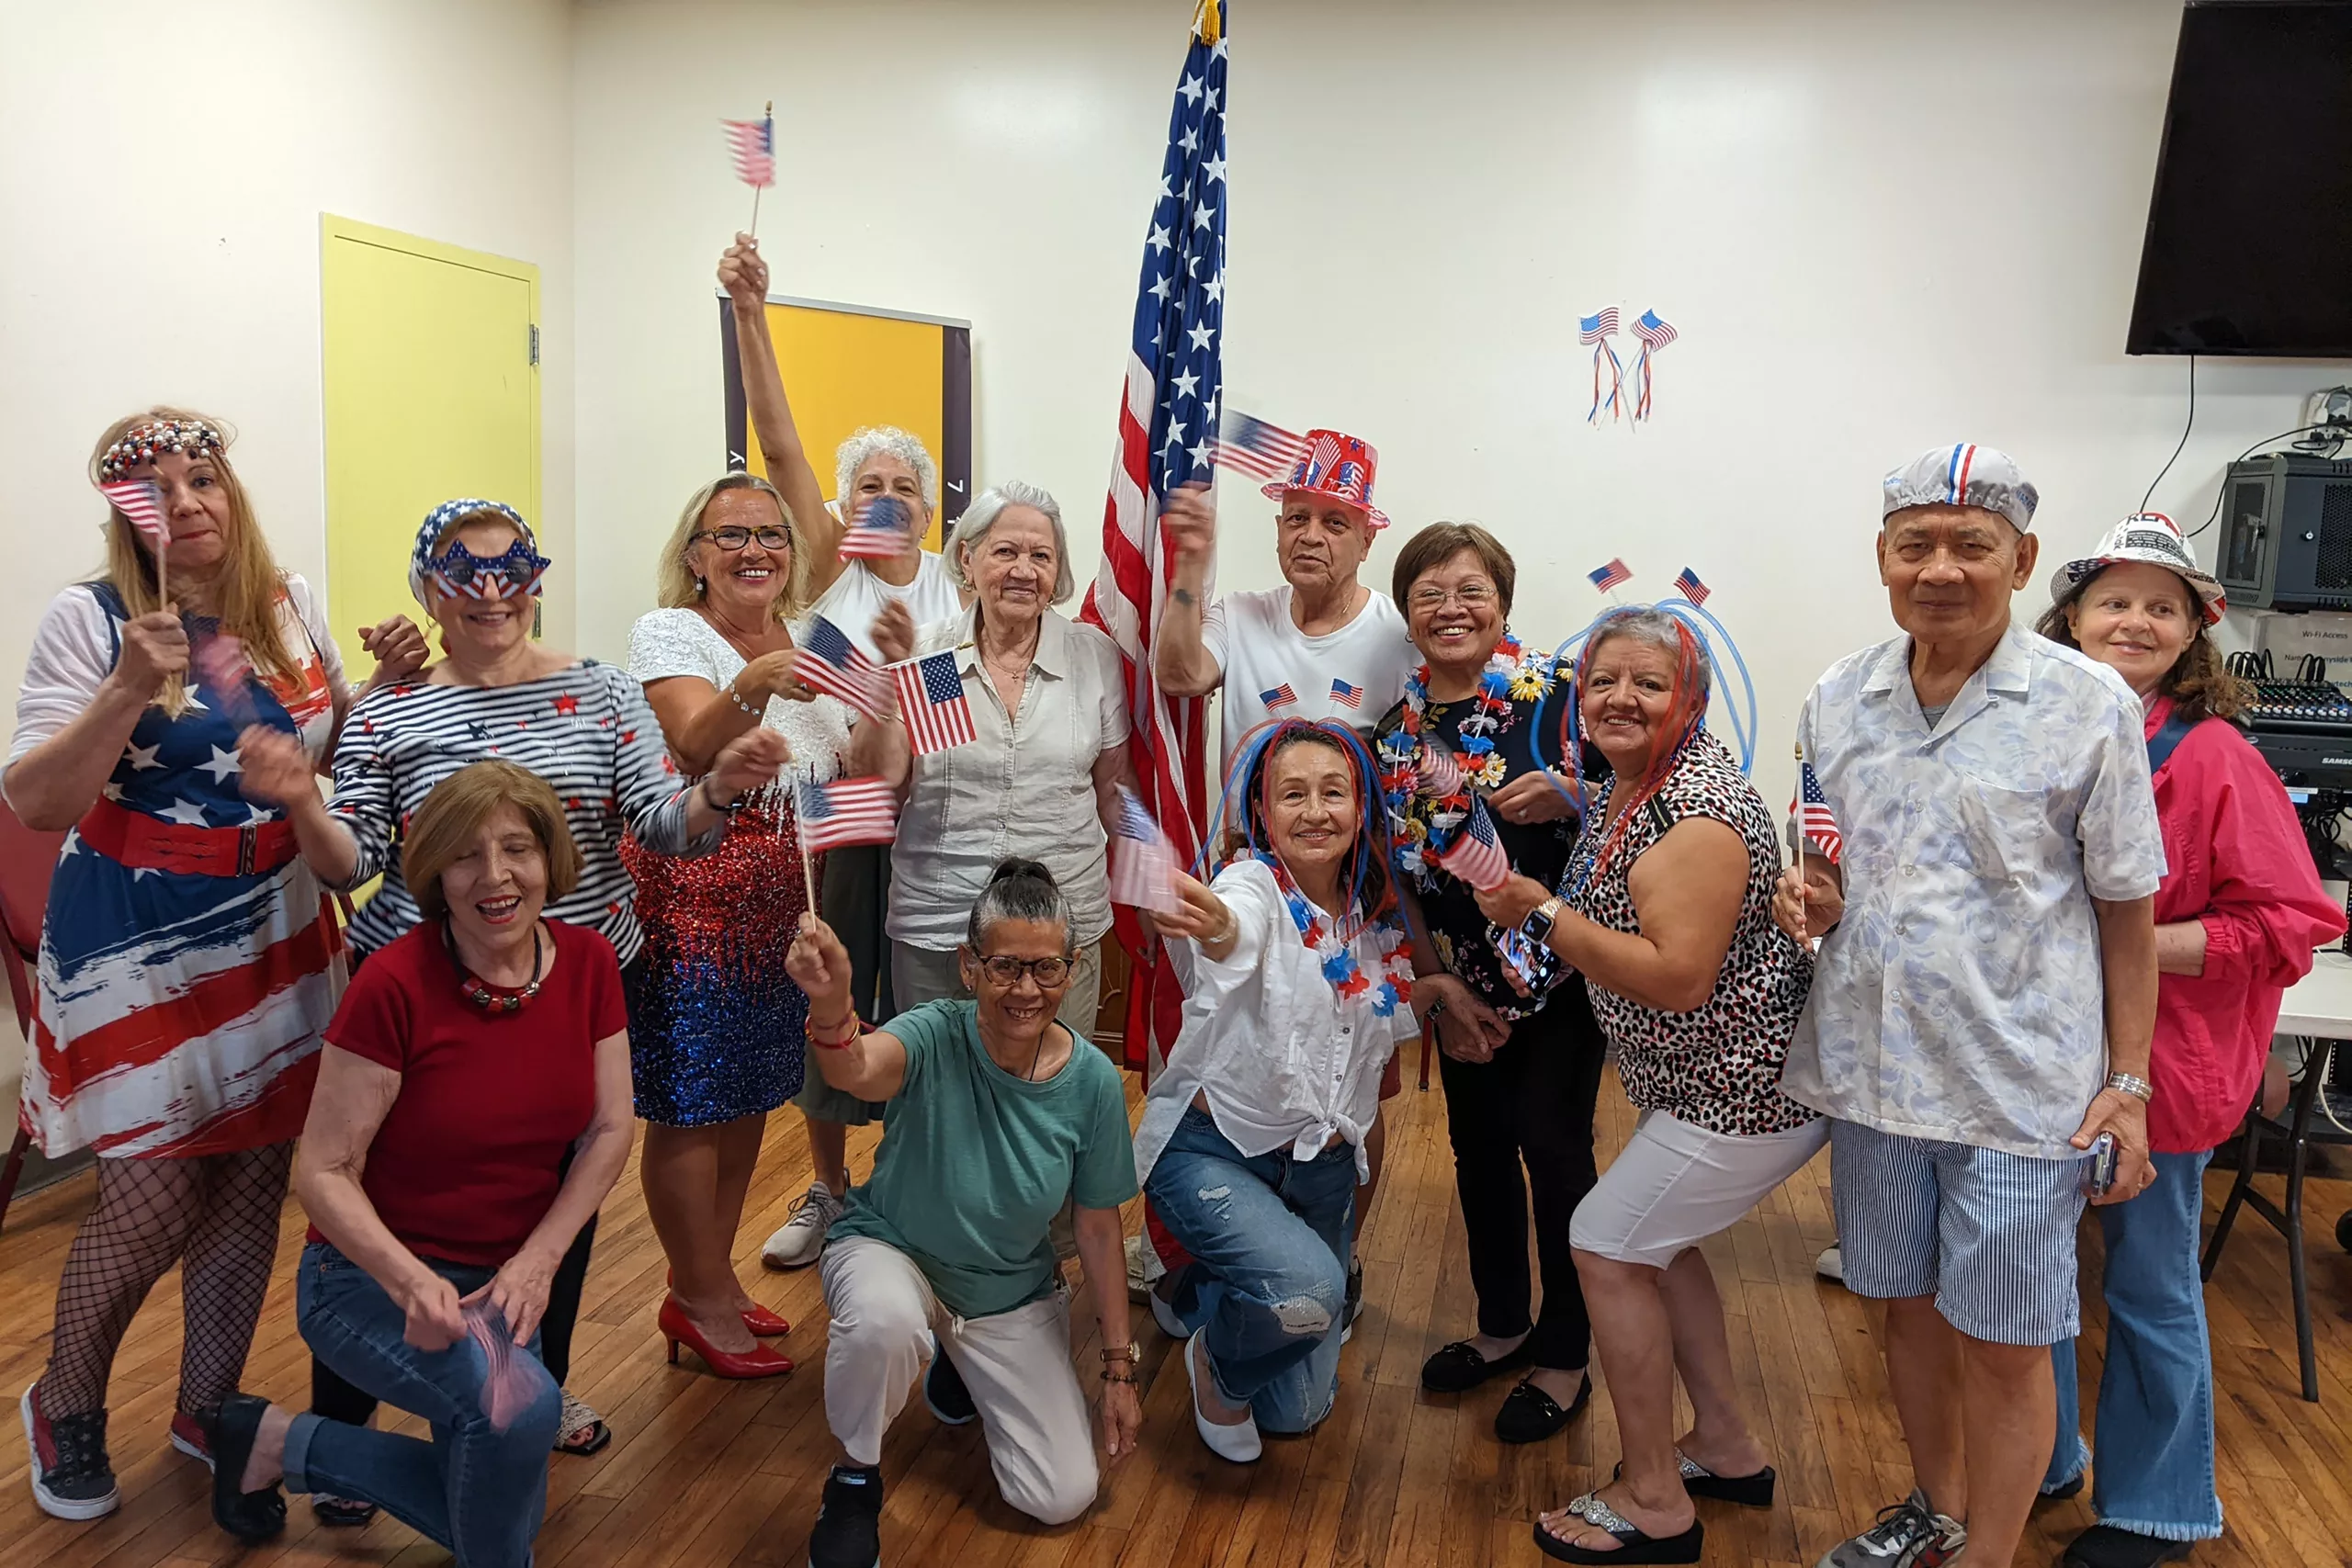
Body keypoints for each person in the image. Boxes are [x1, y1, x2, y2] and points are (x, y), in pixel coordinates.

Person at [239, 498, 784, 1488]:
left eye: (510, 568)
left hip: (576, 984)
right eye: (463, 571)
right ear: (426, 590)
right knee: (388, 1194)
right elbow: (348, 859)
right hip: (420, 997)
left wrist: (717, 790)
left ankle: (534, 1381)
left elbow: (666, 824)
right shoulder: (394, 709)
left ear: (536, 577)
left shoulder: (605, 692)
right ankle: (345, 1420)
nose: (491, 591)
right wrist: (301, 801)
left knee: (556, 1191)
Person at [7, 409, 424, 1522]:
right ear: (123, 516)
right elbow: (38, 801)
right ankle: (66, 1400)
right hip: (135, 934)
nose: (187, 503)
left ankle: (210, 1406)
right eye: (159, 490)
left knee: (249, 1188)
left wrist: (375, 692)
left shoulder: (280, 604)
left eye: (205, 480)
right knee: (147, 1201)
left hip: (275, 921)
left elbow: (310, 754)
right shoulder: (91, 619)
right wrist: (122, 690)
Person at [1771, 446, 2165, 1568]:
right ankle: (1934, 1512)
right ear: (1883, 560)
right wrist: (1810, 893)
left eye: (1970, 546)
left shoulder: (2087, 706)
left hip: (2018, 1091)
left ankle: (1988, 1553)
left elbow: (2126, 909)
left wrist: (2126, 1085)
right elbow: (1829, 865)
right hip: (1873, 1071)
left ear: (2022, 559)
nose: (1939, 568)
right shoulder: (1838, 696)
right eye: (1915, 546)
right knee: (1900, 1305)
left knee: (2004, 1340)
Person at [198, 761, 634, 1564]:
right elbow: (322, 1171)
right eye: (466, 855)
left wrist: (541, 1259)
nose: (496, 876)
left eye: (516, 849)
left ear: (550, 860)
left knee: (504, 1468)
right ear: (434, 871)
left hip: (503, 1279)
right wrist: (409, 1279)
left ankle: (273, 1439)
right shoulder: (393, 981)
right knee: (517, 1423)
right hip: (367, 1278)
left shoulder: (589, 962)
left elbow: (611, 1126)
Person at [1475, 608, 1822, 1563]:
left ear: (1690, 698)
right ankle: (1723, 1444)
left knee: (1605, 1245)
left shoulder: (1691, 814)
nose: (1620, 699)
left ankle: (1657, 1502)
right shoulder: (1638, 782)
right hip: (1709, 1086)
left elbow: (1678, 976)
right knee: (1655, 1248)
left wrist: (1540, 911)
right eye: (1602, 683)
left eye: (1648, 684)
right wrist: (1573, 804)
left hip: (1744, 1094)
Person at [2032, 513, 2343, 1568]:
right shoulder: (2034, 732)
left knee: (2147, 1289)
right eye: (2113, 600)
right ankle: (2041, 1456)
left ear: (2191, 634)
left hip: (2158, 1078)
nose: (2133, 620)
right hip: (2028, 1065)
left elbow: (2290, 922)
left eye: (2159, 606)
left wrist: (2129, 942)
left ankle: (2157, 1506)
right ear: (2069, 616)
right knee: (2026, 1279)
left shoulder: (2215, 759)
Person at [720, 234, 967, 1276]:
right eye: (863, 481)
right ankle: (828, 1187)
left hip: (944, 823)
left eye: (899, 483)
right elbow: (777, 444)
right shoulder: (832, 566)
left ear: (926, 500)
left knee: (927, 1016)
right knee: (831, 988)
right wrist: (749, 317)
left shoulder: (963, 582)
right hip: (840, 821)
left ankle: (913, 1186)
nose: (882, 495)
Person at [782, 860, 1141, 1568]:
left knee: (1062, 1493)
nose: (1027, 989)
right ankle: (854, 1480)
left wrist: (1119, 1368)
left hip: (1007, 1288)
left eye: (1047, 968)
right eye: (1006, 965)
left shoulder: (1094, 1082)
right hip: (894, 1250)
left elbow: (1099, 1229)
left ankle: (957, 1358)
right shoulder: (933, 1030)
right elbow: (854, 1067)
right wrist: (833, 1003)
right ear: (968, 966)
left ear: (1072, 970)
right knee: (884, 1321)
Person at [1148, 432, 1422, 1318]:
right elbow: (1179, 670)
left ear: (1365, 537)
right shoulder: (1242, 612)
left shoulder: (1395, 634)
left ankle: (1332, 1266)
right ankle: (1231, 1259)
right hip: (1252, 886)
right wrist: (1188, 569)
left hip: (1360, 899)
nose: (1309, 534)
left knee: (1354, 1092)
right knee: (1238, 1072)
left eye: (1332, 521)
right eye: (1294, 517)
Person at [626, 471, 887, 1377]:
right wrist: (759, 677)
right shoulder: (671, 632)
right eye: (730, 535)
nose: (754, 551)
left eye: (771, 534)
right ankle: (693, 1298)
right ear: (694, 555)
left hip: (784, 897)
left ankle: (713, 1279)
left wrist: (893, 680)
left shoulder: (818, 637)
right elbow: (695, 743)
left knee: (743, 1103)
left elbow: (861, 752)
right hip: (694, 896)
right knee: (691, 1108)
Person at [1372, 522, 1609, 1445]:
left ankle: (1565, 1351)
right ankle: (1502, 1322)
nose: (1449, 608)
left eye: (1468, 590)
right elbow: (1395, 874)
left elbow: (1641, 810)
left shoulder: (1559, 699)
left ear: (1502, 603)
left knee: (1555, 1155)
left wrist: (1573, 795)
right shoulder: (1395, 735)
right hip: (1463, 985)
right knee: (1477, 1155)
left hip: (1562, 975)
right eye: (1428, 593)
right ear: (1407, 613)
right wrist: (1436, 986)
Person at [1138, 720, 1417, 1461]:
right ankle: (1213, 1364)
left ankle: (1199, 1291)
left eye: (1334, 792)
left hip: (1318, 1167)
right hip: (1215, 1153)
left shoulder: (1372, 906)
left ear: (1361, 807)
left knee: (1297, 1412)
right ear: (1261, 811)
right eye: (1292, 794)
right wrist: (1218, 927)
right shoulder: (1251, 885)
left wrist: (1447, 990)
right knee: (1311, 1294)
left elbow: (1389, 1002)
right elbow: (1236, 931)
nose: (1315, 811)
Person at [872, 481, 1133, 1030]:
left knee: (1051, 1101)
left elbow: (1113, 792)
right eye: (1005, 551)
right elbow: (885, 784)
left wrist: (1152, 885)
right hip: (943, 929)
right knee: (938, 1099)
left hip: (1059, 932)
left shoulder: (1092, 657)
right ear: (968, 558)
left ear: (1057, 571)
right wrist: (887, 691)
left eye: (1041, 555)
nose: (1023, 569)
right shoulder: (930, 654)